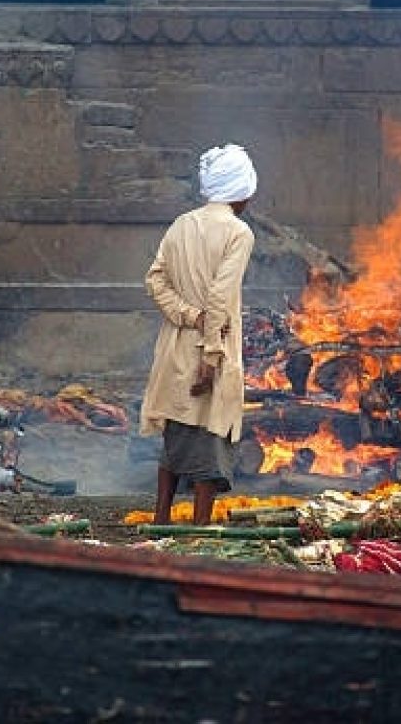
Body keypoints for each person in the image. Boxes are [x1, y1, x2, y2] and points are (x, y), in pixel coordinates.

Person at [140, 143, 257, 525]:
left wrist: (187, 315)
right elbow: (220, 296)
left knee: (177, 431)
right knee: (210, 437)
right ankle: (199, 529)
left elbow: (155, 280)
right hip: (212, 348)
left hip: (176, 345)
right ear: (241, 191)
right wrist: (210, 353)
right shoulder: (238, 233)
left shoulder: (182, 224)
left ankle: (161, 519)